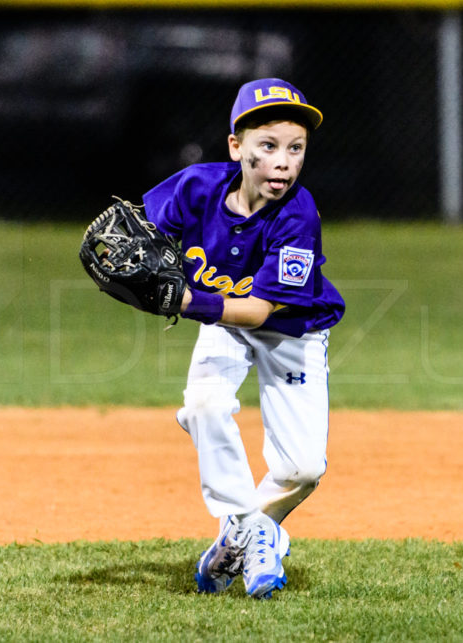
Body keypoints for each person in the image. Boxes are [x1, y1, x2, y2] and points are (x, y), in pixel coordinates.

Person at [141, 78, 346, 599]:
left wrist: (184, 300)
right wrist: (139, 268)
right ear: (236, 146)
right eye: (268, 146)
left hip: (291, 332)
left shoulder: (298, 215)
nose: (283, 162)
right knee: (206, 406)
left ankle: (240, 535)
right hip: (225, 325)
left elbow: (256, 310)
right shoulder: (197, 188)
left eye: (296, 149)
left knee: (303, 468)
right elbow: (141, 233)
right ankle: (249, 530)